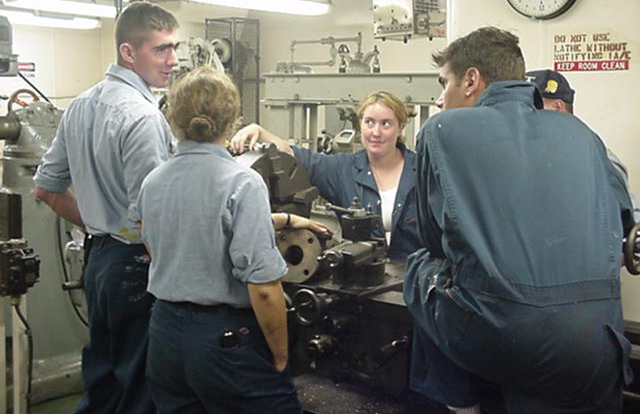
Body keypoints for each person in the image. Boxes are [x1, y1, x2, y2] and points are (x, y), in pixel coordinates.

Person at [403, 27, 635, 414]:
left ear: (472, 80)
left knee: (420, 267)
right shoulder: (583, 134)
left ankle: (458, 403)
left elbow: (432, 238)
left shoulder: (442, 130)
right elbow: (624, 223)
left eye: (445, 83)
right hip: (598, 342)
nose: (441, 98)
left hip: (502, 337)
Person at [34, 0, 180, 413]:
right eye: (161, 49)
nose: (173, 60)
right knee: (142, 384)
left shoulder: (80, 105)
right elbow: (151, 219)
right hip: (136, 265)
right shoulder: (143, 117)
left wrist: (103, 226)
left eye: (175, 47)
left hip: (99, 261)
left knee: (103, 377)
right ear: (128, 52)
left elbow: (46, 188)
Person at [134, 66, 306, 413]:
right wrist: (281, 352)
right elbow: (263, 286)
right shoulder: (241, 182)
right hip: (223, 338)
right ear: (232, 119)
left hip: (164, 334)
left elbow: (156, 247)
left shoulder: (153, 181)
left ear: (172, 117)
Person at [230, 90, 420, 260]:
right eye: (369, 122)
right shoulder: (341, 168)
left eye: (386, 124)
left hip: (413, 279)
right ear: (360, 124)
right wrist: (259, 131)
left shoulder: (422, 170)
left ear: (401, 127)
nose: (376, 132)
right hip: (360, 279)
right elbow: (293, 156)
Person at [527, 68, 640, 223]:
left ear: (557, 107)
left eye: (533, 107)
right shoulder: (535, 153)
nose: (526, 115)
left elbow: (630, 221)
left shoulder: (598, 157)